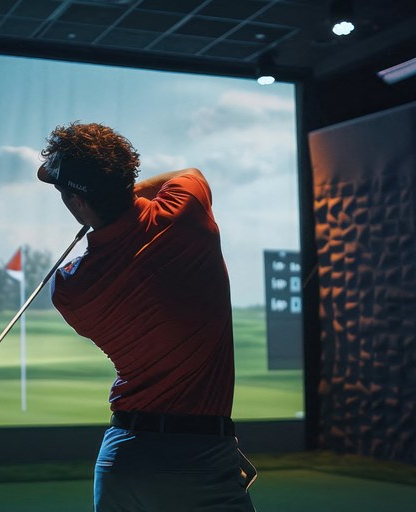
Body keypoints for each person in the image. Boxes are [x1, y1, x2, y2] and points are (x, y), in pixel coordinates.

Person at [36, 122, 256, 511]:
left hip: (125, 460)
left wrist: (97, 208)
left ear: (77, 202)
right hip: (204, 457)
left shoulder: (70, 289)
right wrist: (114, 197)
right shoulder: (186, 211)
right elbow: (188, 174)